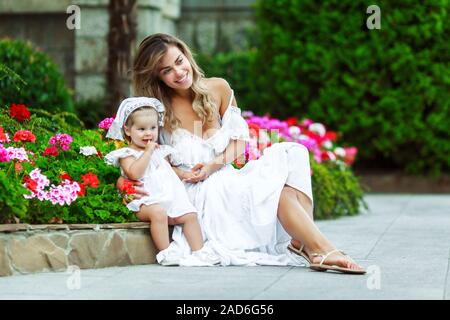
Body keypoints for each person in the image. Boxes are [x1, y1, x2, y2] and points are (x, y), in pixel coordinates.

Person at [121, 33, 366, 274]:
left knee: (293, 152)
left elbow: (239, 143)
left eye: (179, 61)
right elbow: (146, 157)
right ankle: (319, 249)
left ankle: (311, 247)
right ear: (157, 77)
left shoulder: (218, 88)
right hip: (199, 190)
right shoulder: (155, 110)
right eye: (166, 70)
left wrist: (213, 165)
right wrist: (129, 183)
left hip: (225, 173)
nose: (178, 72)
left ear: (187, 56)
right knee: (279, 194)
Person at [105, 97, 221, 266]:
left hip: (168, 198)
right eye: (142, 129)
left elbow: (168, 170)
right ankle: (166, 252)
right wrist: (148, 152)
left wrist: (186, 174)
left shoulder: (160, 151)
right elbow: (135, 173)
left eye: (153, 128)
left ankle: (199, 252)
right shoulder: (127, 154)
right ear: (128, 131)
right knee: (158, 213)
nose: (149, 133)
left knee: (189, 215)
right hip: (145, 202)